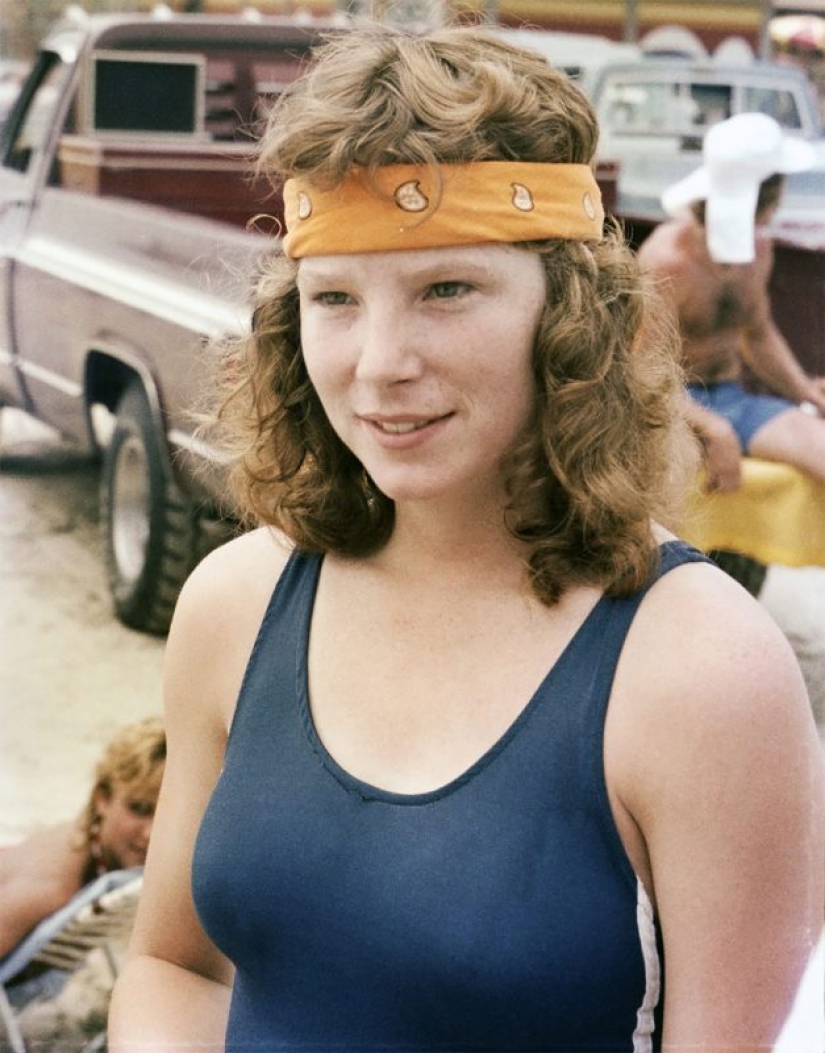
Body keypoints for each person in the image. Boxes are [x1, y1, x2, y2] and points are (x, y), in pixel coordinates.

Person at [108, 26, 824, 1053]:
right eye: (335, 300)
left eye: (447, 289)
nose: (380, 363)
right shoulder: (237, 603)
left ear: (570, 316)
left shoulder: (702, 672)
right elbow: (173, 966)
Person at [637, 111, 825, 493]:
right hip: (665, 409)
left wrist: (805, 390)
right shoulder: (666, 260)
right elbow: (640, 372)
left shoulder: (757, 248)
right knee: (672, 480)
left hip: (731, 397)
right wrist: (708, 427)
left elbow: (756, 333)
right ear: (769, 194)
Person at [0, 715, 165, 960]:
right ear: (102, 798)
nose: (150, 832)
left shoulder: (89, 840)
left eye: (166, 815)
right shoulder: (51, 887)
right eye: (139, 809)